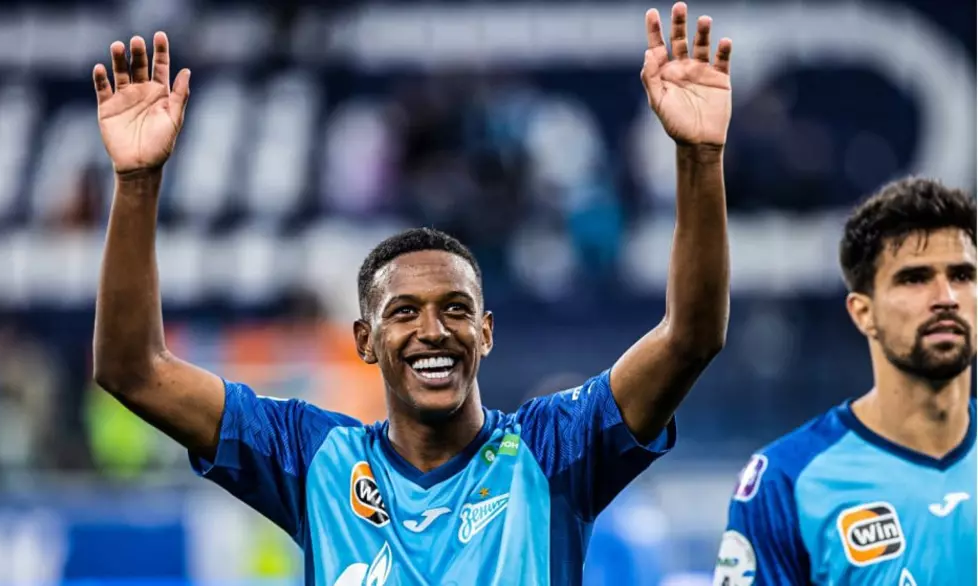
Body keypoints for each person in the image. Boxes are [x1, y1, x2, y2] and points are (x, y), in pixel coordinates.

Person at [90, 3, 732, 583]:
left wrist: (699, 158)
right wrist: (137, 182)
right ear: (365, 340)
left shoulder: (554, 450)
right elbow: (133, 371)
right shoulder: (313, 458)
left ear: (485, 332)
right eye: (404, 312)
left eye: (455, 309)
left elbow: (691, 337)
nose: (433, 330)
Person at [713, 178, 976, 585]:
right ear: (863, 313)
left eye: (962, 275)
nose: (946, 297)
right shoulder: (787, 480)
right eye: (914, 278)